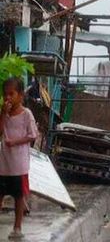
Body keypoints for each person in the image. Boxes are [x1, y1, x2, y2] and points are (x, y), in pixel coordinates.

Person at [0, 77, 38, 240]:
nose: (8, 97)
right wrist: (3, 114)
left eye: (11, 94)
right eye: (5, 94)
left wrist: (15, 142)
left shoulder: (26, 114)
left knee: (18, 197)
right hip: (3, 163)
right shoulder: (4, 114)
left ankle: (17, 227)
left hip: (19, 164)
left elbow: (32, 135)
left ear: (20, 95)